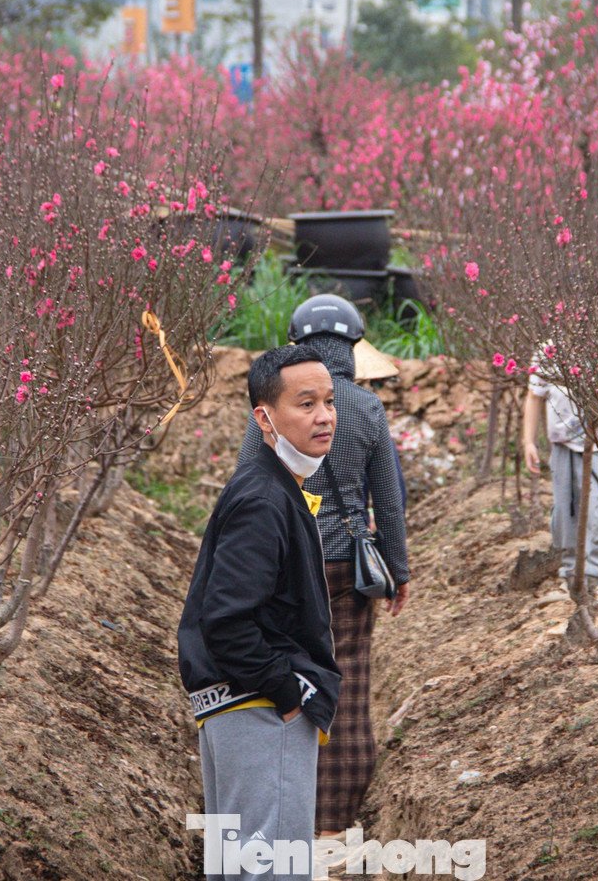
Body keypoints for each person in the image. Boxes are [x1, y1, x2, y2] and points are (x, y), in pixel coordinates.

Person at [237, 294, 410, 838]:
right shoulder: (365, 407)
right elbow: (389, 497)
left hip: (286, 565)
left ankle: (284, 816)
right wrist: (397, 571)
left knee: (285, 685)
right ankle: (334, 826)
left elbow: (248, 480)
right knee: (349, 689)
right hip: (348, 569)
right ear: (354, 347)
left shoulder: (278, 404)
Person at [179, 345, 342, 880]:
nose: (324, 416)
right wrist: (288, 691)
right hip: (259, 710)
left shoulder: (272, 489)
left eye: (329, 401)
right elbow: (226, 618)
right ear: (264, 418)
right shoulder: (264, 498)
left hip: (239, 708)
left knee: (239, 865)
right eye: (306, 403)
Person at [521, 356, 598, 596]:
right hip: (562, 445)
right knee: (565, 514)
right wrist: (528, 441)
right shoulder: (549, 350)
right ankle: (570, 577)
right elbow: (534, 395)